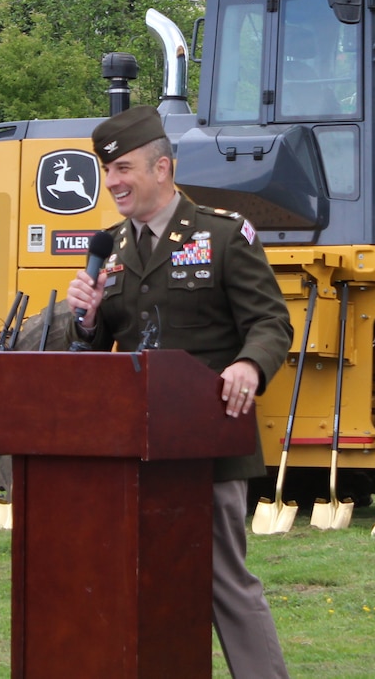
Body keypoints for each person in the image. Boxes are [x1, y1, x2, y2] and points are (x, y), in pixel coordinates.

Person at [66, 105, 292, 679]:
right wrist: (87, 321)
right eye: (107, 171)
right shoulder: (111, 249)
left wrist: (248, 367)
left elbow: (271, 324)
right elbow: (94, 353)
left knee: (223, 581)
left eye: (124, 169)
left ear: (162, 168)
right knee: (143, 579)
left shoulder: (220, 233)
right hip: (132, 448)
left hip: (206, 442)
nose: (113, 182)